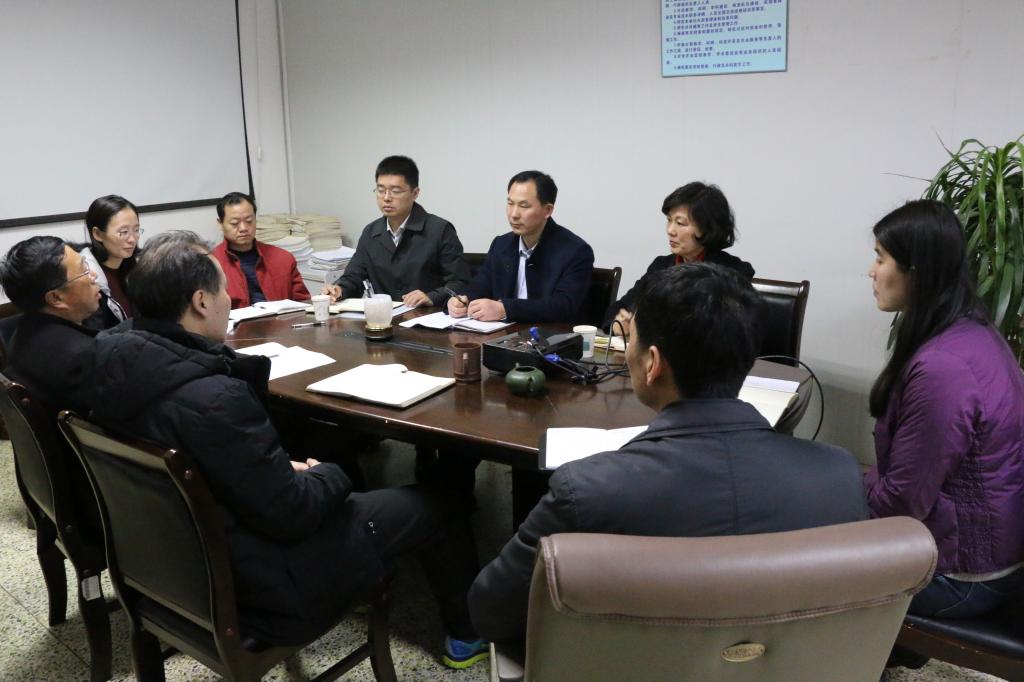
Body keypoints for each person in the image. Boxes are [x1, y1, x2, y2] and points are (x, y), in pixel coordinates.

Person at [84, 236, 486, 667]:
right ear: (201, 301)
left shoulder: (109, 362)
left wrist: (277, 471)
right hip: (266, 583)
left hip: (170, 565)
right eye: (223, 291)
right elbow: (293, 513)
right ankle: (468, 635)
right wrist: (328, 472)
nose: (227, 301)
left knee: (324, 447)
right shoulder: (214, 398)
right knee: (442, 502)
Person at [468, 263, 868, 644]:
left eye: (632, 340)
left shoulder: (586, 489)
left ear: (652, 363)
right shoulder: (838, 474)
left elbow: (489, 612)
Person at [864, 200, 1024, 620]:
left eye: (880, 258)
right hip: (979, 550)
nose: (871, 272)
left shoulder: (943, 368)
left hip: (960, 576)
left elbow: (901, 505)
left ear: (916, 271)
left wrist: (842, 494)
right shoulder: (970, 328)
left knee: (795, 568)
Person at [603, 182, 753, 333]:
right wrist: (618, 323)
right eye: (669, 220)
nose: (670, 230)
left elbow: (722, 330)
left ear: (706, 228)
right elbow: (618, 309)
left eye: (680, 223)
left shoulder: (733, 272)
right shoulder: (661, 266)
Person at [448, 170, 594, 323]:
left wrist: (504, 309)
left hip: (548, 334)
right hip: (503, 333)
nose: (514, 214)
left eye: (524, 206)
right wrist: (462, 300)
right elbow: (480, 285)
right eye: (510, 204)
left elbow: (563, 305)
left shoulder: (575, 251)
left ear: (547, 210)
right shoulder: (501, 244)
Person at [324, 155, 470, 308]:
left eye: (395, 191)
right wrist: (339, 289)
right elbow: (354, 277)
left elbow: (460, 282)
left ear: (415, 193)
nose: (386, 198)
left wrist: (431, 297)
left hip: (428, 316)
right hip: (385, 317)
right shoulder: (371, 233)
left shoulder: (440, 230)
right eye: (381, 190)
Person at [0, 236, 101, 414]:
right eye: (84, 270)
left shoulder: (21, 331)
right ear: (56, 298)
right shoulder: (82, 357)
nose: (93, 275)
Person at [210, 191, 310, 308]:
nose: (243, 228)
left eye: (249, 221)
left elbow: (303, 304)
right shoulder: (210, 264)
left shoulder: (283, 259)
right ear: (220, 224)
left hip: (280, 319)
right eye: (234, 223)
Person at [79, 194, 141, 330]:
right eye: (123, 232)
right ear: (98, 234)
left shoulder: (137, 268)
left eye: (136, 230)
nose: (132, 239)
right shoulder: (87, 279)